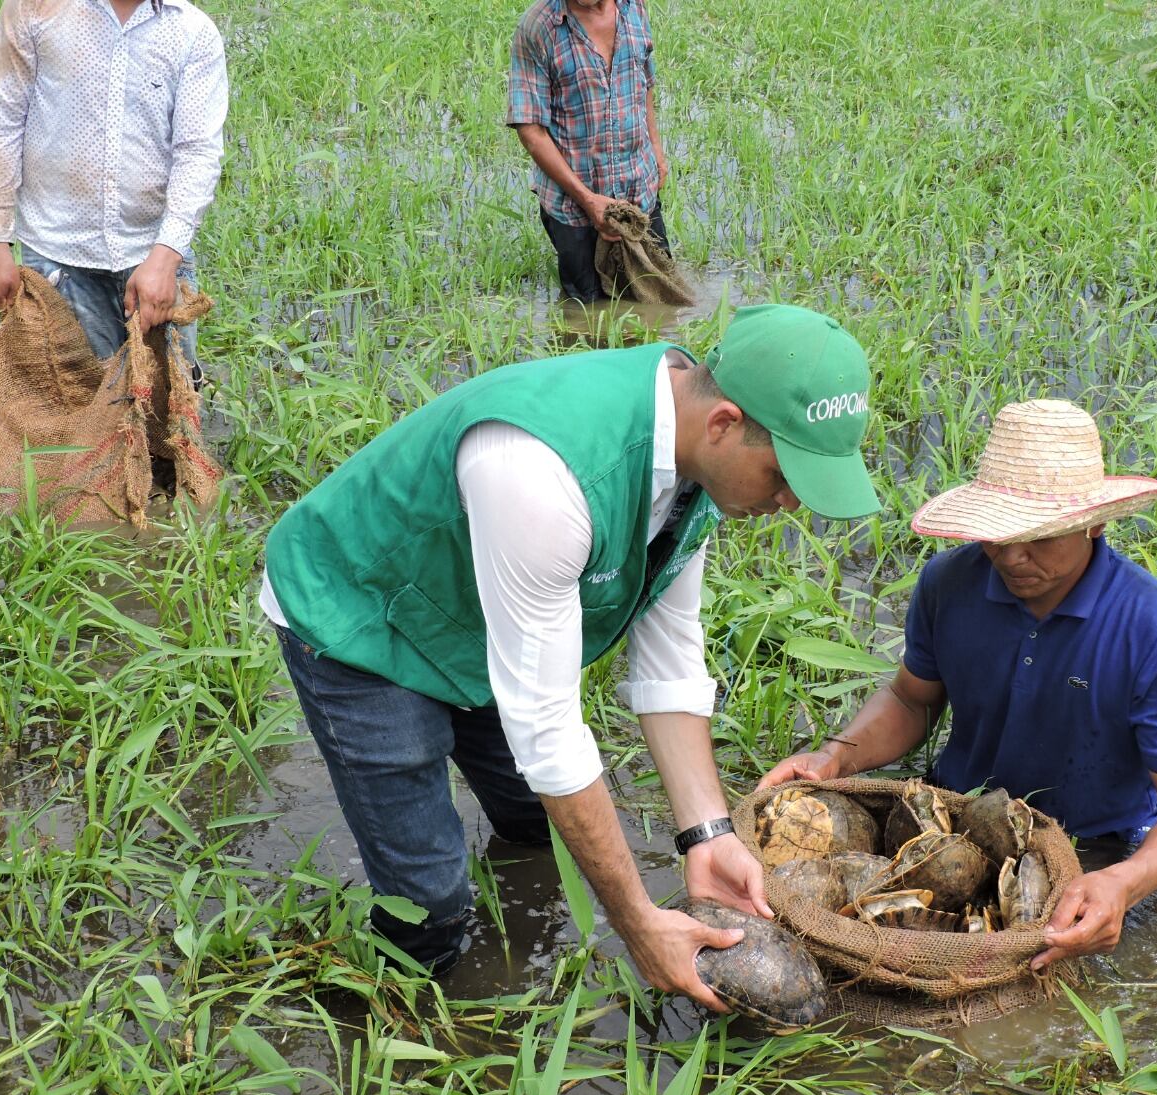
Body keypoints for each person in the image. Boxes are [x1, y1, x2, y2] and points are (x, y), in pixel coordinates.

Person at [260, 304, 877, 1011]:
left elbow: (670, 661)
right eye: (785, 475)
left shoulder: (695, 464)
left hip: (473, 613)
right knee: (428, 902)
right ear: (725, 424)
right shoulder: (544, 474)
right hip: (359, 612)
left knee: (536, 820)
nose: (791, 501)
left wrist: (706, 836)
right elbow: (548, 731)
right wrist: (637, 921)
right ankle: (402, 1032)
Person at [760, 399, 1157, 971]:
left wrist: (1122, 883)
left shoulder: (1154, 629)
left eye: (1040, 536)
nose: (1011, 555)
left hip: (1093, 843)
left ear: (1095, 523)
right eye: (998, 534)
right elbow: (911, 698)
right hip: (954, 818)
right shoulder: (949, 582)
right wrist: (834, 759)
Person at [0, 0, 228, 366]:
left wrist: (164, 258)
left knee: (165, 404)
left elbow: (197, 153)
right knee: (73, 407)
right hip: (57, 253)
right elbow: (2, 121)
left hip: (154, 251)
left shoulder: (192, 32)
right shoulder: (35, 8)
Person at [507, 0, 671, 303]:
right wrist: (588, 200)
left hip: (639, 191)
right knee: (587, 315)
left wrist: (657, 150)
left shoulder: (634, 7)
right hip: (574, 208)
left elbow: (644, 82)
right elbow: (531, 130)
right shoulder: (538, 27)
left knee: (659, 299)